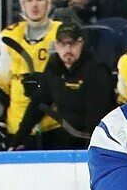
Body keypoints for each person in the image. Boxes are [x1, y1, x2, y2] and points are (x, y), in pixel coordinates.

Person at [0, 0, 63, 151]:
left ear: (49, 3)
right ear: (22, 4)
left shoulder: (62, 33)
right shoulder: (8, 36)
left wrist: (46, 87)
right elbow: (2, 86)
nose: (34, 5)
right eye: (29, 0)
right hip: (17, 129)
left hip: (54, 127)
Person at [21, 20, 117, 148]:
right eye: (63, 44)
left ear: (81, 44)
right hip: (68, 136)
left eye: (72, 44)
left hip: (98, 141)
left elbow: (96, 115)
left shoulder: (96, 70)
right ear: (55, 45)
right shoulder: (53, 66)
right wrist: (19, 139)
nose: (67, 49)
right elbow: (38, 104)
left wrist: (93, 149)